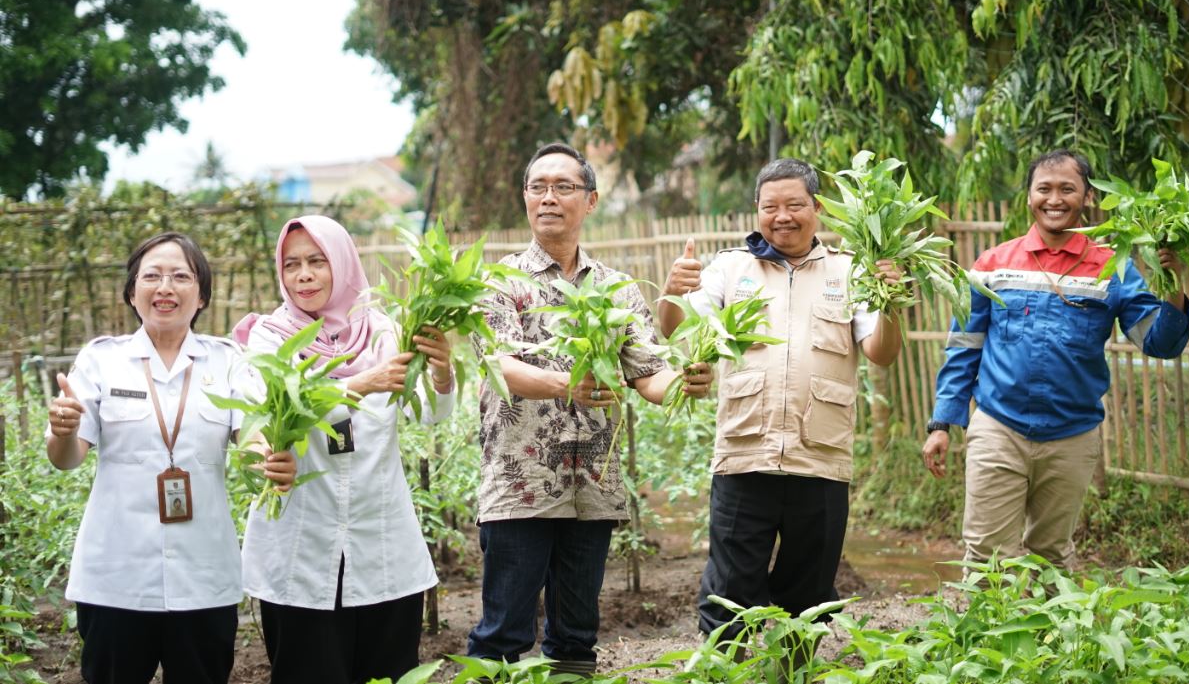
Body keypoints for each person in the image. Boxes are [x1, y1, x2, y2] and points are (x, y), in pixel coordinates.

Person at [466, 143, 713, 677]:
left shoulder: (616, 289)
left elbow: (648, 372)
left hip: (592, 489)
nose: (548, 198)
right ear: (525, 198)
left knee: (576, 637)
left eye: (563, 187)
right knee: (503, 633)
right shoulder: (499, 282)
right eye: (538, 187)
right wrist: (567, 385)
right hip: (520, 484)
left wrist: (684, 383)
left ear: (591, 200)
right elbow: (499, 365)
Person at [658, 157, 904, 646]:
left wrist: (891, 302)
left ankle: (796, 672)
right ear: (756, 210)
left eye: (795, 205)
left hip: (821, 460)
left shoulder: (849, 271)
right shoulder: (731, 267)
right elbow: (674, 327)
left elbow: (882, 354)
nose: (782, 216)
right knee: (728, 594)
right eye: (770, 206)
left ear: (818, 209)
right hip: (745, 456)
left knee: (809, 596)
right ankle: (724, 675)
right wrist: (671, 292)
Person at [922, 150, 1189, 569]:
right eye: (1043, 188)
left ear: (1087, 197)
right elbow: (964, 346)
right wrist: (943, 422)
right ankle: (990, 635)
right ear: (1028, 197)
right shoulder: (992, 265)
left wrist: (1174, 286)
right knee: (986, 556)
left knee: (1051, 554)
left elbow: (1158, 343)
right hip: (999, 426)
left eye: (1068, 189)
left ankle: (1055, 635)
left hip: (1072, 434)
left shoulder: (1113, 268)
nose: (1055, 199)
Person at [46, 232, 296, 684]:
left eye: (181, 276)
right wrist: (63, 431)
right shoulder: (102, 360)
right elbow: (67, 458)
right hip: (116, 576)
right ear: (131, 292)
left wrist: (269, 461)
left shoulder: (229, 362)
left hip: (203, 575)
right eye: (152, 276)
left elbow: (253, 437)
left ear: (201, 294)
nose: (166, 287)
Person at [232, 215, 457, 684]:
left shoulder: (384, 331)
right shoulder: (269, 339)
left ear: (343, 262)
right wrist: (357, 384)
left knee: (389, 673)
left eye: (317, 261)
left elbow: (426, 413)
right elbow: (264, 416)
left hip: (380, 543)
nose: (304, 275)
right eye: (291, 264)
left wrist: (440, 372)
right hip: (300, 546)